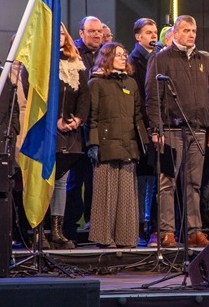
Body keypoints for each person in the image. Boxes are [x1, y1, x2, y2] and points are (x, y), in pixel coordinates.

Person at [145, 15, 209, 247]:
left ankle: (193, 231)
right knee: (167, 182)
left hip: (197, 130)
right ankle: (167, 232)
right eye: (186, 30)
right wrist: (156, 129)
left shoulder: (204, 61)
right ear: (175, 33)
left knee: (194, 184)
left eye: (194, 31)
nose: (191, 34)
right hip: (170, 129)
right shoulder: (161, 59)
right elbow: (152, 96)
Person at [86, 43, 144, 248]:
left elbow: (138, 117)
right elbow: (91, 117)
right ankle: (104, 237)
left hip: (128, 145)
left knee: (126, 195)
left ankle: (126, 238)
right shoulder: (96, 83)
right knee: (106, 194)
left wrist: (143, 143)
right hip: (105, 145)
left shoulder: (131, 83)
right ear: (107, 58)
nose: (123, 58)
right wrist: (93, 143)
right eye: (118, 55)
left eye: (124, 54)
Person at [47, 23, 89, 249]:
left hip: (70, 130)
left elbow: (84, 95)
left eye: (63, 32)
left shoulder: (75, 62)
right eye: (57, 33)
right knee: (44, 180)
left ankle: (57, 230)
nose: (61, 36)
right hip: (47, 129)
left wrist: (78, 119)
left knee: (62, 182)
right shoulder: (42, 62)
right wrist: (54, 120)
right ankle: (38, 229)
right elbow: (39, 96)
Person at [64, 16, 104, 239]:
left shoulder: (105, 54)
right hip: (77, 127)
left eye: (99, 31)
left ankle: (93, 223)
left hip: (97, 128)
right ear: (81, 33)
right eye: (91, 31)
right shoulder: (74, 55)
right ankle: (70, 226)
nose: (96, 35)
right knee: (74, 180)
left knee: (94, 180)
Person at [127, 18, 158, 246]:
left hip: (156, 126)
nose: (153, 36)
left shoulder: (159, 58)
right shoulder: (133, 61)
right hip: (140, 127)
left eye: (155, 32)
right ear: (138, 37)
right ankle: (138, 224)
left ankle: (151, 224)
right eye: (148, 32)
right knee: (141, 179)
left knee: (155, 178)